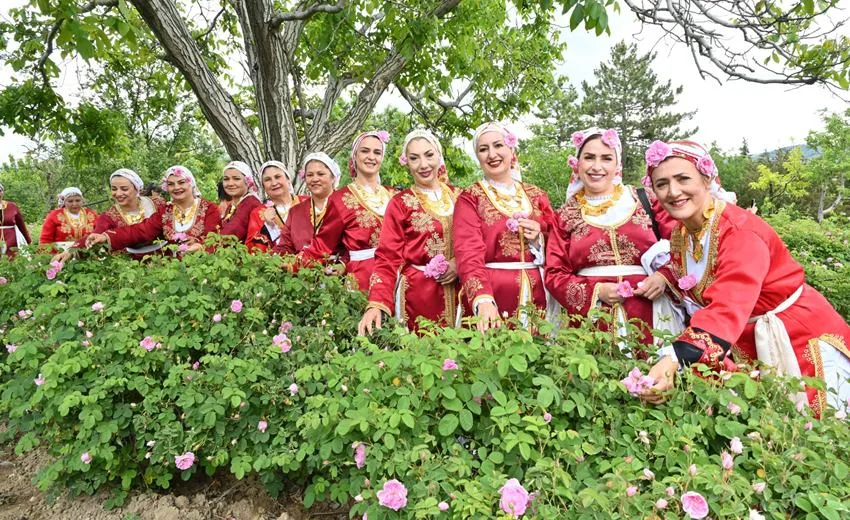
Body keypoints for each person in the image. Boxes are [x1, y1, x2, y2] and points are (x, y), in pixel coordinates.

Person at [638, 140, 850, 417]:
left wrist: (674, 358)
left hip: (794, 334)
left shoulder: (739, 232)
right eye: (662, 183)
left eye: (683, 179)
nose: (673, 191)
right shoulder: (681, 234)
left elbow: (728, 304)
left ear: (706, 178)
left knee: (818, 429)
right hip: (743, 339)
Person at [544, 127, 676, 347]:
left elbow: (680, 244)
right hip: (592, 322)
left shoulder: (645, 199)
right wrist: (597, 291)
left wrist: (664, 276)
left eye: (606, 158)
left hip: (652, 314)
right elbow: (555, 273)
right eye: (589, 157)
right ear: (577, 164)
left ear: (617, 165)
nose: (597, 167)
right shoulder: (565, 215)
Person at [453, 122, 555, 332]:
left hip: (539, 295)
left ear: (511, 149)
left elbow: (560, 243)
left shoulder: (537, 195)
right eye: (483, 149)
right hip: (493, 295)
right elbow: (467, 251)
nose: (492, 154)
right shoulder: (470, 198)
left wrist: (539, 239)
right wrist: (482, 298)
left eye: (498, 145)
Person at [358, 129, 460, 335]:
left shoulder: (461, 197)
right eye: (414, 158)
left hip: (462, 293)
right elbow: (387, 256)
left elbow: (479, 242)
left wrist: (460, 264)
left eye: (429, 155)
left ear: (439, 156)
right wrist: (376, 303)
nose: (423, 164)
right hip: (419, 297)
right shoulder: (400, 203)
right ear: (407, 163)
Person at [295, 130, 396, 292]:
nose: (371, 157)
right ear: (354, 156)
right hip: (362, 278)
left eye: (377, 152)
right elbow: (323, 244)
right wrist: (289, 265)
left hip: (396, 274)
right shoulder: (340, 198)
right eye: (365, 151)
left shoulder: (394, 195)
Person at [85, 165, 220, 253]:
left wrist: (199, 244)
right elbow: (140, 230)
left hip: (203, 268)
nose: (176, 187)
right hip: (171, 270)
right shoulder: (165, 211)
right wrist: (105, 236)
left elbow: (214, 236)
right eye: (171, 184)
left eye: (181, 182)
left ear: (191, 184)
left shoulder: (209, 208)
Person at [274, 153, 339, 254]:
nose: (315, 179)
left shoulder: (345, 206)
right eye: (309, 175)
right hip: (302, 268)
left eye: (321, 174)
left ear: (333, 177)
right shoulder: (295, 212)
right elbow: (285, 246)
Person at [246, 161, 307, 252]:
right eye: (267, 180)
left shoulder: (307, 202)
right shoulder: (258, 213)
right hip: (279, 264)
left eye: (278, 177)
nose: (274, 183)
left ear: (288, 179)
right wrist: (268, 227)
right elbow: (252, 251)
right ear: (263, 186)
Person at [219, 161, 263, 242]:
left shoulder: (251, 202)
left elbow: (232, 232)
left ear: (247, 181)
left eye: (236, 179)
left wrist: (204, 246)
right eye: (226, 179)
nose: (230, 183)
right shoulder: (233, 205)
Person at [0, 182, 32, 257]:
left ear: (2, 192)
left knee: (11, 260)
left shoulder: (12, 206)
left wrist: (28, 240)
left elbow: (21, 225)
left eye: (0, 191)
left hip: (11, 239)